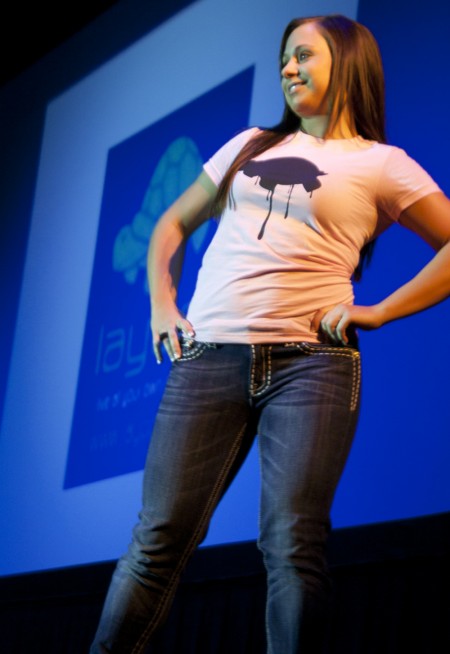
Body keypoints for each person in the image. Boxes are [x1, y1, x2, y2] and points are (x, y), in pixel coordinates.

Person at [90, 13, 450, 654]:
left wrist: (384, 309)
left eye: (303, 55)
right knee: (157, 539)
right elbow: (171, 225)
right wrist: (161, 304)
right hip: (208, 360)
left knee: (291, 543)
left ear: (347, 62)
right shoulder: (251, 144)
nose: (288, 68)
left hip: (313, 366)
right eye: (284, 57)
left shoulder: (382, 164)